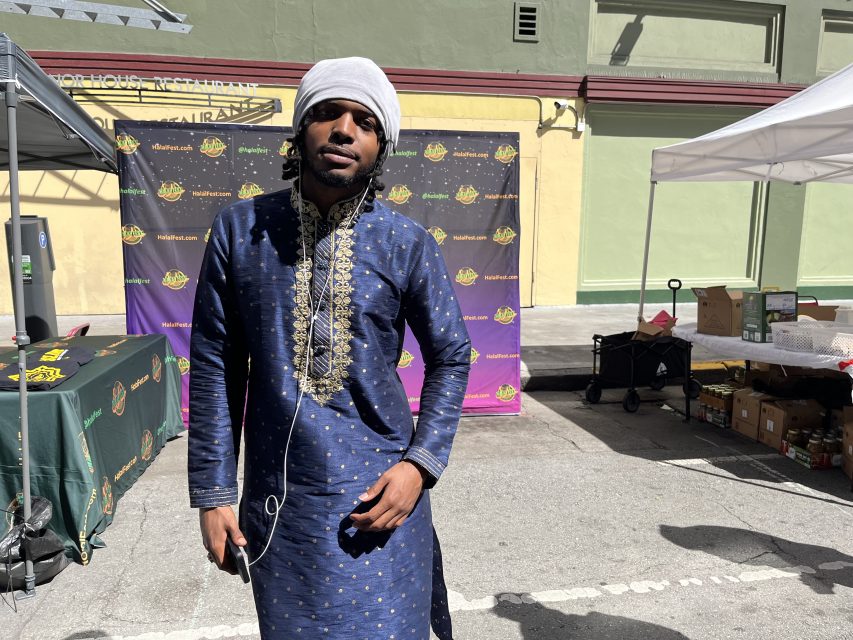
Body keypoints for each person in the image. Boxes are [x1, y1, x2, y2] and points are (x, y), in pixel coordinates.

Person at [188, 56, 471, 640]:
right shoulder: (240, 230)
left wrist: (420, 466)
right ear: (300, 130)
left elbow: (451, 354)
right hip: (282, 506)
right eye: (327, 113)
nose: (344, 130)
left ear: (381, 147)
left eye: (365, 123)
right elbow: (216, 366)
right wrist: (213, 495)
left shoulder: (406, 242)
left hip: (383, 499)